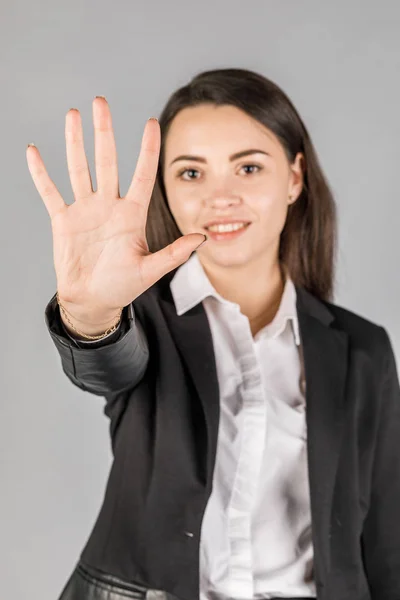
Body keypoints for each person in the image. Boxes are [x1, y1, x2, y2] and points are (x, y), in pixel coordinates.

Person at [26, 68, 400, 600]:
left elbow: (386, 545)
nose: (220, 197)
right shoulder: (142, 318)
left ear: (295, 178)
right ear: (167, 192)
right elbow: (107, 361)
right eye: (191, 173)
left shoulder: (363, 351)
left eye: (248, 167)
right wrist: (89, 313)